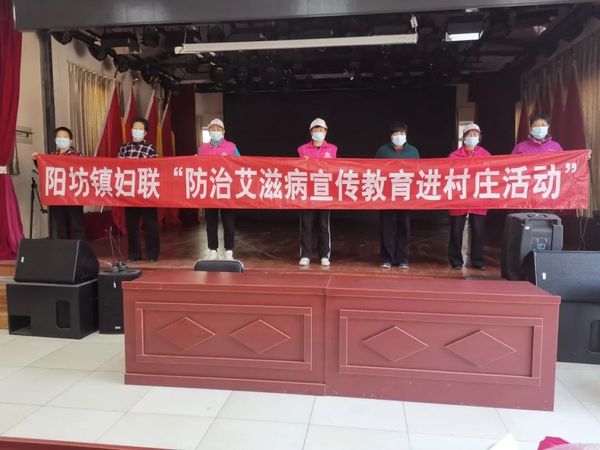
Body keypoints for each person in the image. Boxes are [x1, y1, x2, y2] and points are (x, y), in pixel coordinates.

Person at [375, 121, 420, 269]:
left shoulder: (413, 151)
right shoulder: (382, 151)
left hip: (405, 195)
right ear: (390, 136)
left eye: (402, 133)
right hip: (386, 195)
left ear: (406, 135)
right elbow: (373, 170)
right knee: (386, 227)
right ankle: (386, 258)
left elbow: (419, 172)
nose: (399, 136)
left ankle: (403, 259)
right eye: (396, 133)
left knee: (404, 228)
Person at [448, 124, 491, 271]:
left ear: (479, 137)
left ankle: (478, 261)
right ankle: (455, 261)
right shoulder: (454, 156)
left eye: (475, 134)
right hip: (458, 198)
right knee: (456, 230)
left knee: (478, 230)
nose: (472, 137)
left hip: (478, 198)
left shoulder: (485, 155)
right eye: (469, 134)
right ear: (464, 137)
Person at [32, 127, 87, 241]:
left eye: (65, 137)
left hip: (73, 196)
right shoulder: (51, 156)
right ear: (55, 140)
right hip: (57, 196)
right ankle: (64, 250)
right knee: (61, 227)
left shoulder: (78, 156)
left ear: (70, 141)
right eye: (59, 137)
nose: (62, 139)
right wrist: (36, 160)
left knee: (77, 226)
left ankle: (81, 249)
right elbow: (45, 171)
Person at [118, 117, 160, 263]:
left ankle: (152, 254)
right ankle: (133, 254)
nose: (136, 131)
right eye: (134, 128)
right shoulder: (124, 148)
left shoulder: (150, 148)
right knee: (131, 225)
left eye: (140, 129)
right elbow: (117, 167)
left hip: (146, 191)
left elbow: (156, 168)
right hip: (129, 192)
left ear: (145, 132)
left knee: (150, 225)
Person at [197, 118, 240, 260]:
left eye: (218, 129)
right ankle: (213, 250)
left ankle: (229, 250)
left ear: (223, 132)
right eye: (212, 129)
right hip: (209, 190)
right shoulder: (202, 149)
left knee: (228, 222)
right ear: (209, 131)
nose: (215, 132)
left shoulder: (231, 147)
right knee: (211, 221)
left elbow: (240, 164)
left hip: (226, 189)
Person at [298, 118, 337, 267]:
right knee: (306, 225)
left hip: (324, 192)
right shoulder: (302, 149)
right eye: (315, 129)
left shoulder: (332, 149)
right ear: (310, 132)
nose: (318, 132)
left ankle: (324, 255)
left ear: (325, 132)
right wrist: (303, 162)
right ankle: (305, 255)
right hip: (307, 192)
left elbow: (334, 168)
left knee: (323, 225)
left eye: (321, 130)